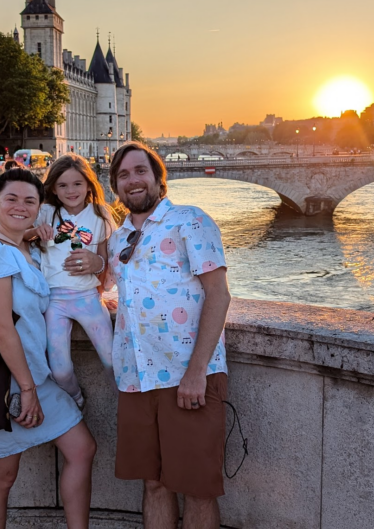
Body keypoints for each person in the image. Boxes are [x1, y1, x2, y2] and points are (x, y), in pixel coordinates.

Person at [0, 168, 96, 529]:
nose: (20, 206)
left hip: (36, 376)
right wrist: (26, 390)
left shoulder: (22, 247)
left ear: (39, 206)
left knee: (81, 449)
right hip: (5, 382)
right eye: (11, 199)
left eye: (30, 200)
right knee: (2, 476)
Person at [106, 142, 232, 529]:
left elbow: (219, 294)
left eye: (140, 171)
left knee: (197, 489)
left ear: (159, 177)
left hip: (187, 377)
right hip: (136, 379)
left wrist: (197, 372)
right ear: (116, 187)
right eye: (123, 175)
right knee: (154, 484)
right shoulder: (117, 239)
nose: (133, 181)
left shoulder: (189, 221)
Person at [27, 154, 115, 409]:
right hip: (54, 301)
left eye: (77, 183)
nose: (71, 190)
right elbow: (12, 237)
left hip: (88, 297)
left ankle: (125, 400)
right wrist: (35, 232)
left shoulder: (100, 215)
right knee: (60, 369)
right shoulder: (45, 212)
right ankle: (75, 398)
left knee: (111, 360)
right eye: (63, 185)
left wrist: (95, 263)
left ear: (89, 184)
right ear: (53, 188)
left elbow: (107, 261)